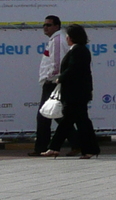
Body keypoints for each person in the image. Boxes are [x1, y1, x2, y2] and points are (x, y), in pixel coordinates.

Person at [44, 24, 100, 159]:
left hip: (76, 94)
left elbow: (73, 69)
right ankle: (90, 149)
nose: (66, 38)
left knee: (68, 122)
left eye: (68, 35)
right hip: (77, 94)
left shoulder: (78, 51)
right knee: (80, 122)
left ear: (72, 37)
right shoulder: (78, 50)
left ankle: (54, 148)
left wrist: (60, 79)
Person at [31, 14, 68, 156]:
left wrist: (50, 78)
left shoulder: (58, 40)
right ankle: (77, 142)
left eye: (49, 25)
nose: (45, 28)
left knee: (44, 115)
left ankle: (40, 147)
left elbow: (57, 63)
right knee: (57, 115)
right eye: (44, 25)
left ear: (56, 26)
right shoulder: (55, 40)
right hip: (52, 82)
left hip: (52, 83)